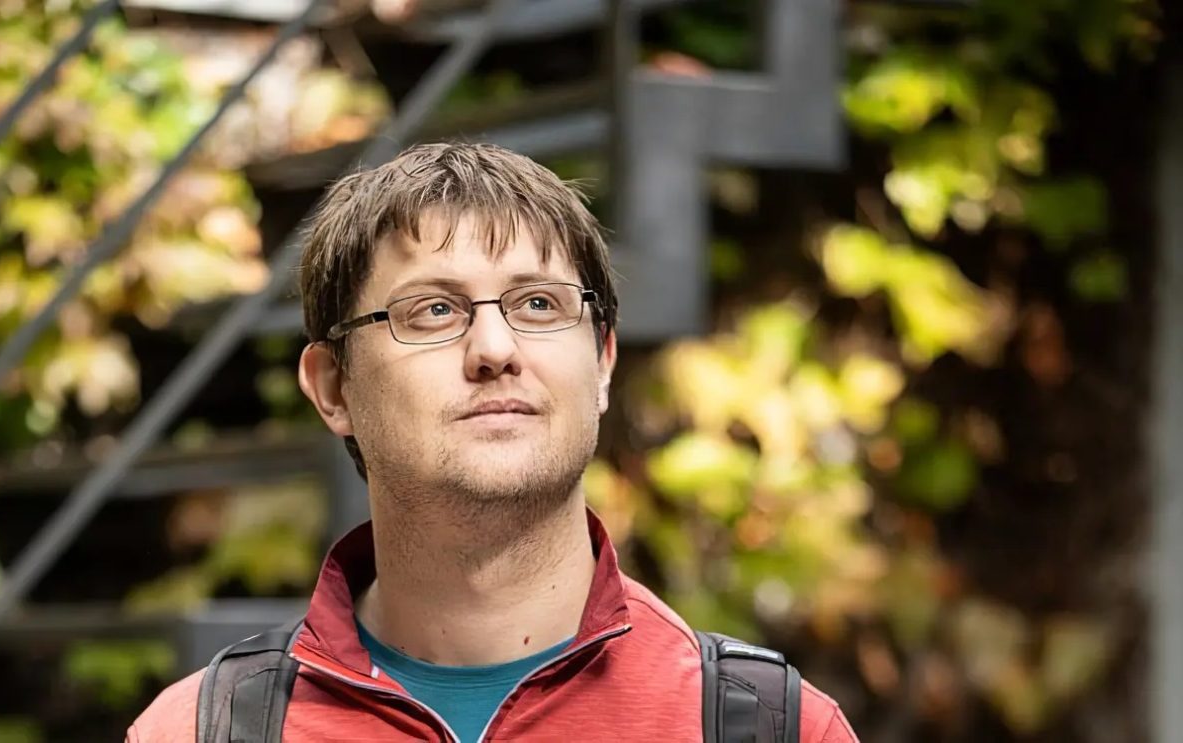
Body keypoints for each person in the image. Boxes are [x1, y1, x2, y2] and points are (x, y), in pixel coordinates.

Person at [127, 142, 858, 742]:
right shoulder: (197, 732)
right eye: (433, 310)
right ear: (334, 388)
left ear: (602, 362)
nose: (495, 349)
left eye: (538, 303)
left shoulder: (772, 727)